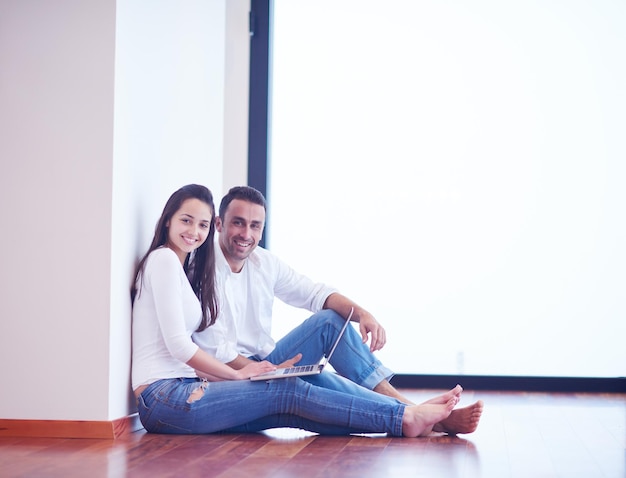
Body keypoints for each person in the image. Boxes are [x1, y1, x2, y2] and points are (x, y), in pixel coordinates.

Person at [131, 183, 464, 437]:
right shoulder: (191, 268)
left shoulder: (255, 261)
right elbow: (196, 347)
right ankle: (406, 418)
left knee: (328, 326)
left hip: (238, 372)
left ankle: (409, 411)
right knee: (300, 389)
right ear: (221, 224)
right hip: (213, 377)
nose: (246, 234)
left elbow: (315, 293)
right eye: (237, 223)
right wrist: (248, 375)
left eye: (255, 226)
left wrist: (363, 313)